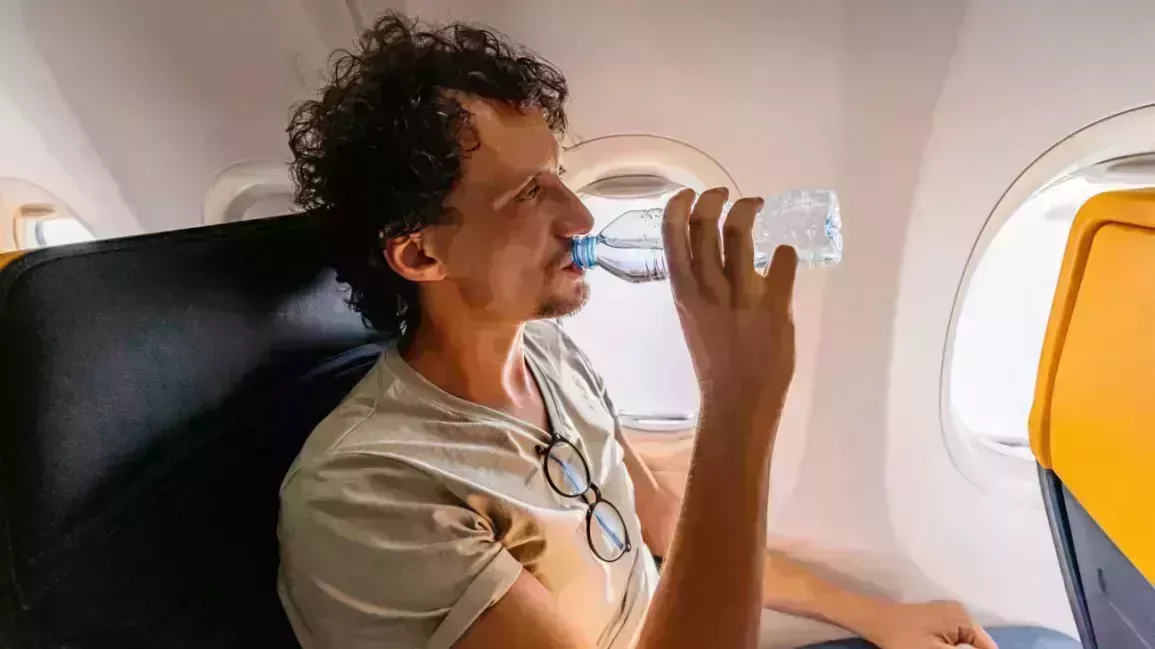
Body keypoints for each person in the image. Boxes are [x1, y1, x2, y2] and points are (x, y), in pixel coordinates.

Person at [277, 12, 998, 649]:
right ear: (421, 252)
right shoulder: (369, 492)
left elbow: (663, 525)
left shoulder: (547, 352)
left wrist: (874, 614)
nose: (581, 217)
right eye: (529, 193)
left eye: (557, 175)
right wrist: (736, 407)